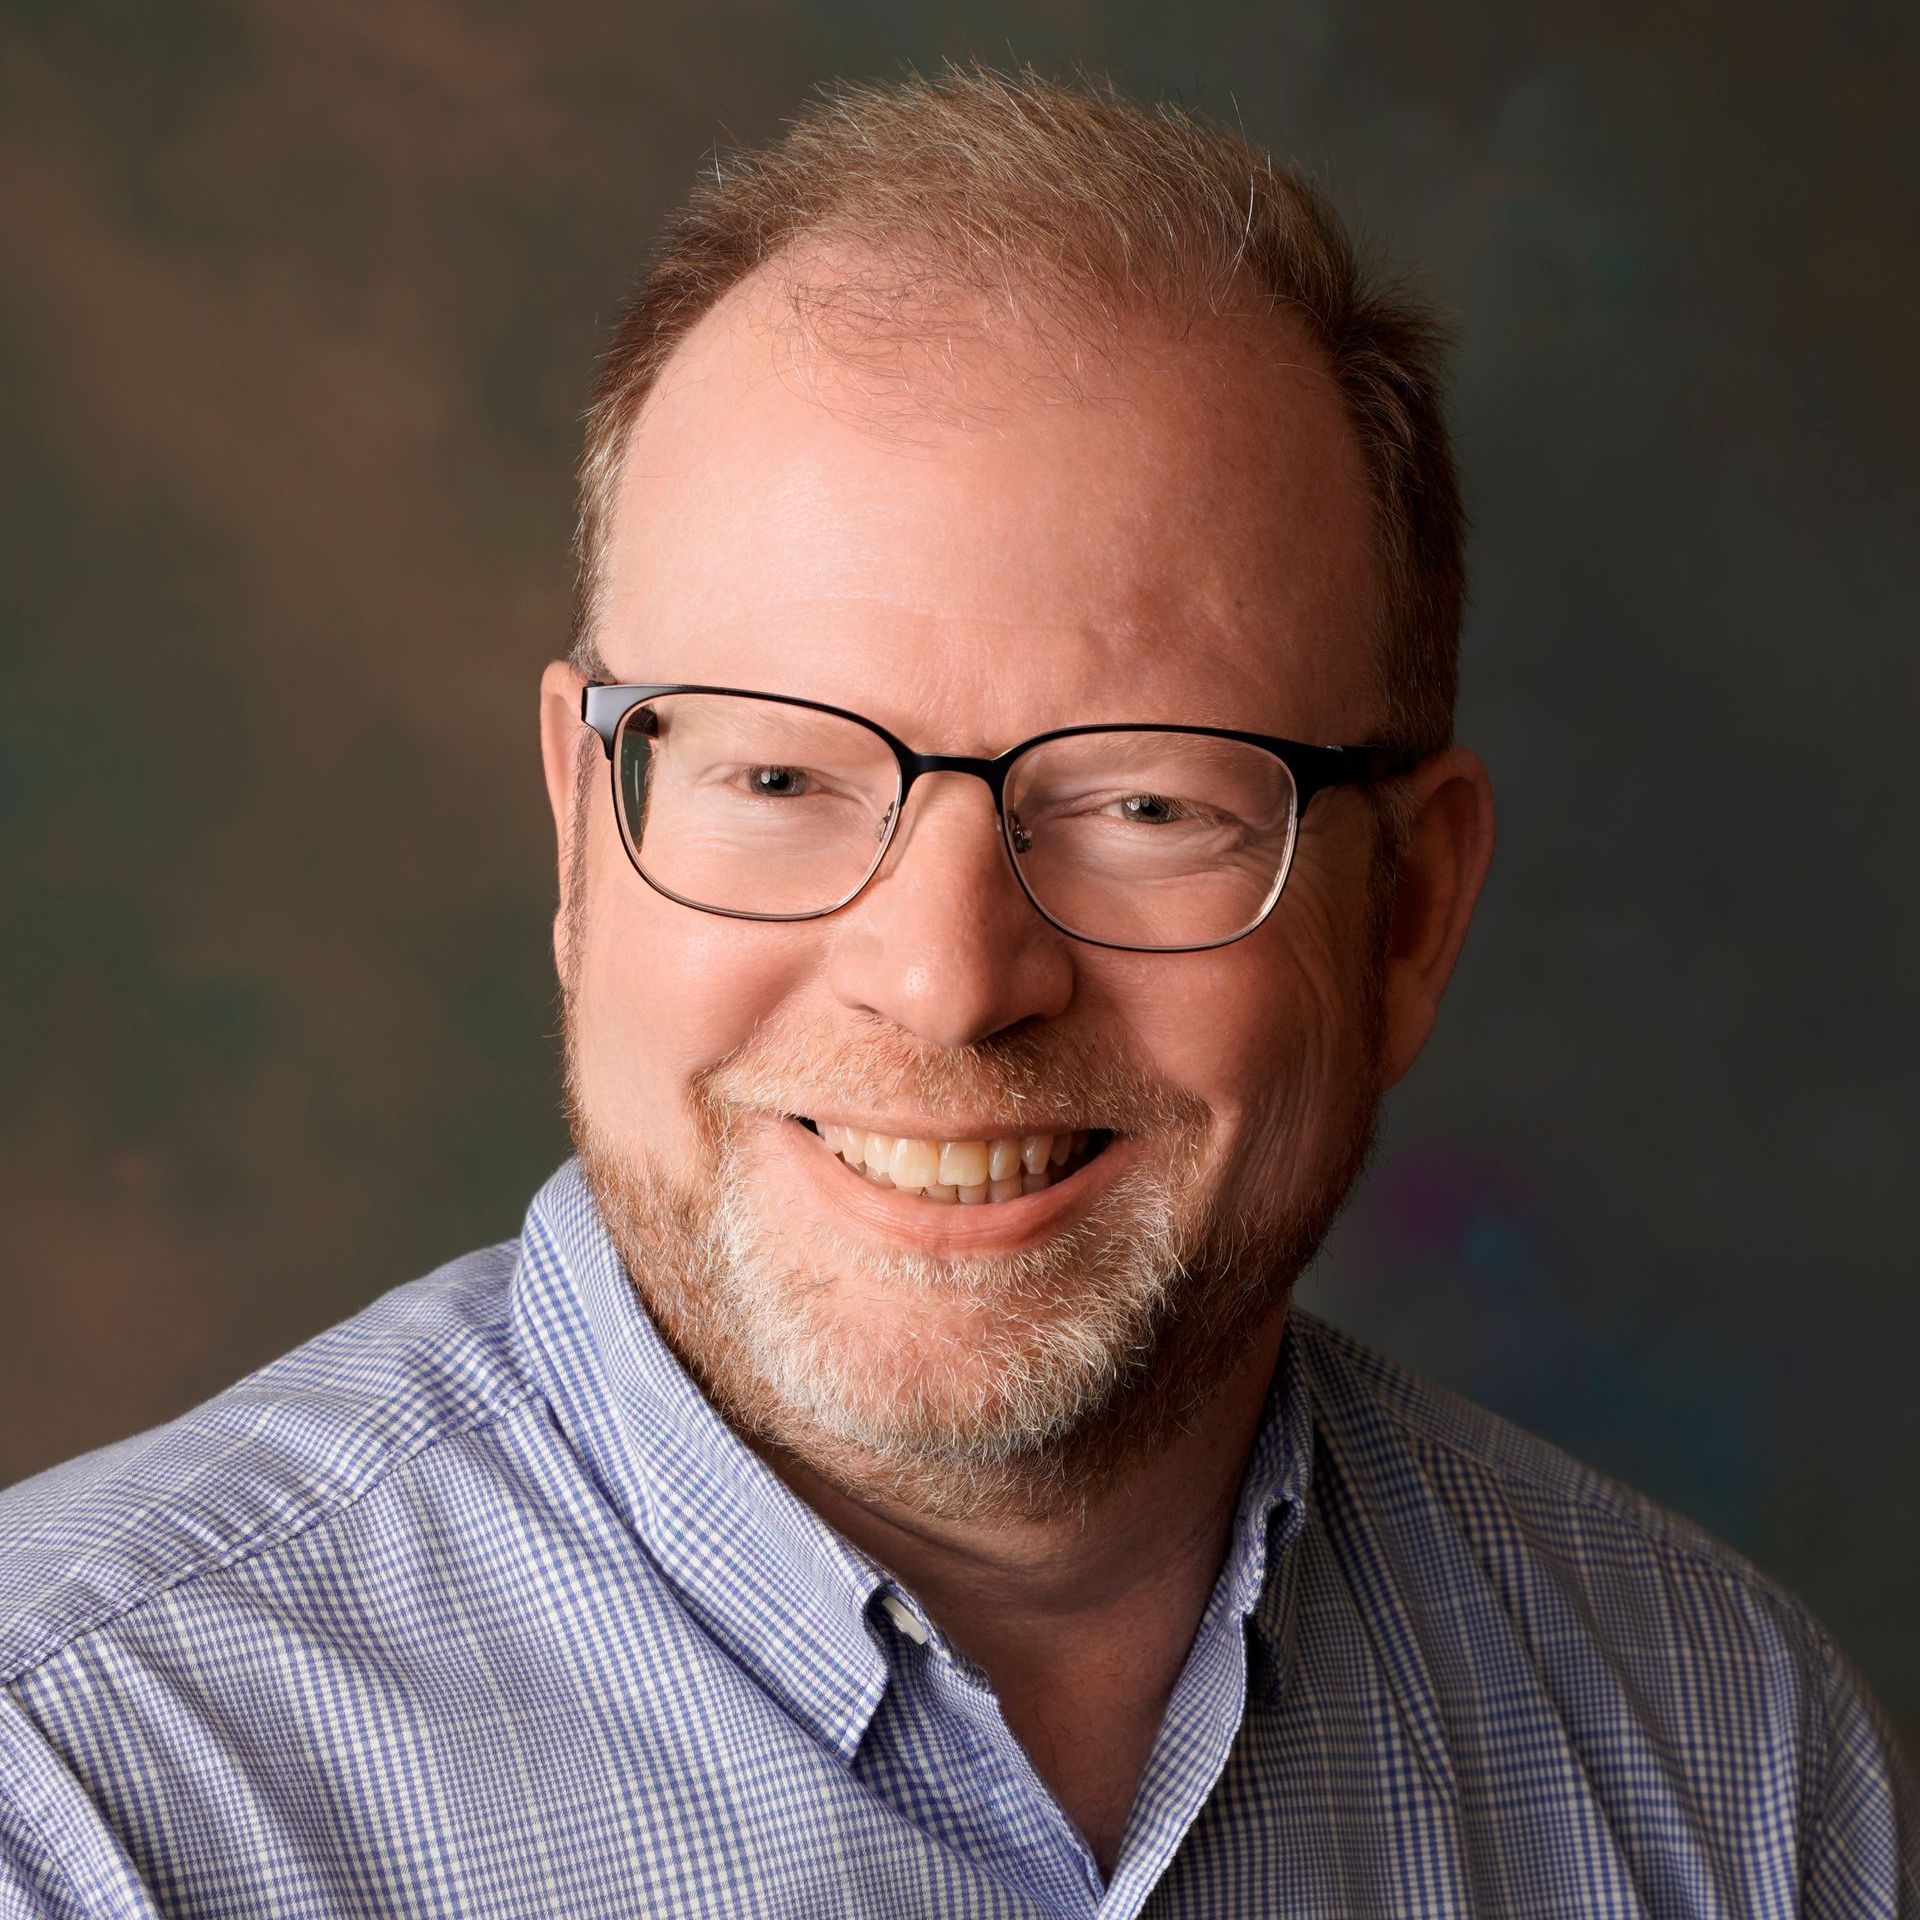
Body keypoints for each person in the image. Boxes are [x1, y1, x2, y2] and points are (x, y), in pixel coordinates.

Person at [1, 58, 1912, 1920]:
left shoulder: (1726, 1760)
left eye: (1146, 798)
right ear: (588, 833)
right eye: (775, 777)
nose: (944, 979)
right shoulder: (77, 1802)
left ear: (1409, 912)